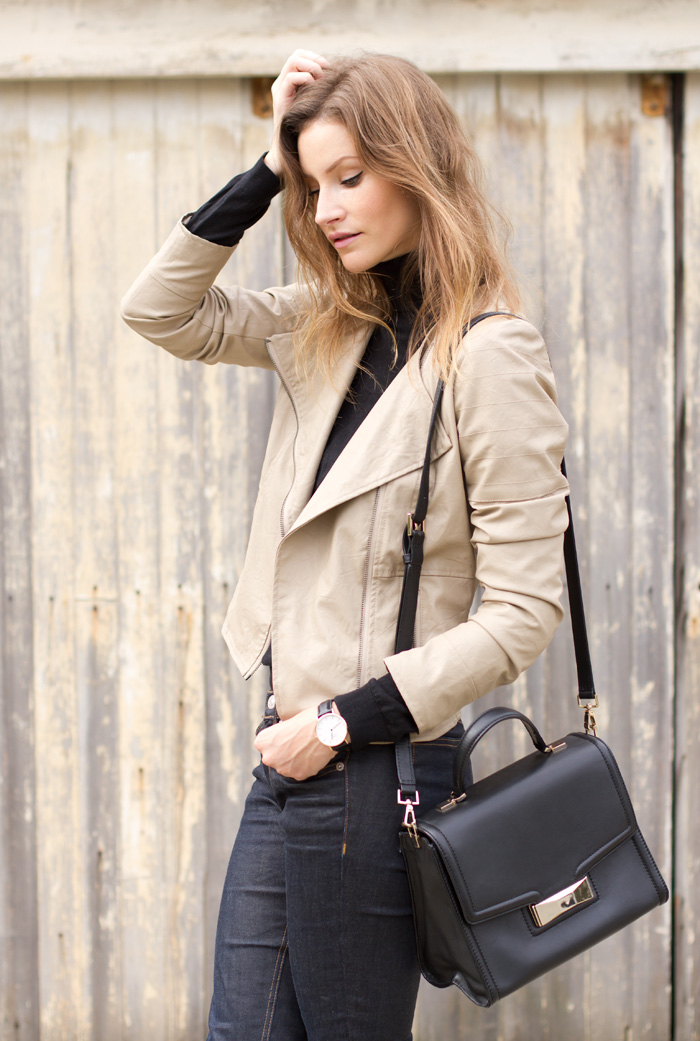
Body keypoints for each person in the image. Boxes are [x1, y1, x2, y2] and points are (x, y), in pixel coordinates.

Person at [121, 49, 570, 1041]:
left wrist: (336, 722)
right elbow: (158, 310)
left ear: (417, 168)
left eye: (350, 177)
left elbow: (523, 609)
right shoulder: (328, 325)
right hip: (287, 763)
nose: (325, 208)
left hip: (378, 770)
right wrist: (268, 165)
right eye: (313, 185)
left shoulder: (490, 354)